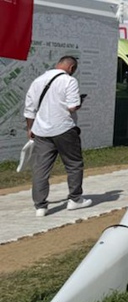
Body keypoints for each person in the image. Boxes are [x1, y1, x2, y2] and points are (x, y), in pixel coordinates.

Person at [23, 56, 92, 217]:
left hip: (41, 131)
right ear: (71, 68)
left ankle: (40, 206)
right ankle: (75, 199)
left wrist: (30, 128)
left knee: (41, 168)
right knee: (74, 164)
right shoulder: (69, 81)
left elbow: (29, 109)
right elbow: (72, 107)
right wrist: (80, 102)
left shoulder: (38, 80)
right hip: (64, 128)